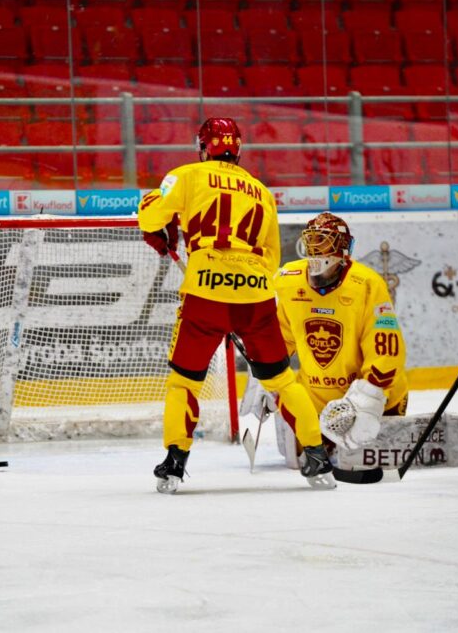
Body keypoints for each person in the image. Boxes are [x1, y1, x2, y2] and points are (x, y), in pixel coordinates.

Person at [137, 117, 335, 493]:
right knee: (281, 380)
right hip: (255, 295)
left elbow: (150, 214)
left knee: (184, 382)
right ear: (238, 150)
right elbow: (272, 256)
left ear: (203, 148)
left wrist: (158, 227)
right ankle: (316, 454)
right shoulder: (261, 191)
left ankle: (175, 461)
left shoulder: (187, 175)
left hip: (205, 293)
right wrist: (243, 282)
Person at [267, 213, 408, 466]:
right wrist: (266, 372)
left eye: (323, 243)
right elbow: (281, 337)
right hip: (315, 402)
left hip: (366, 400)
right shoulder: (288, 280)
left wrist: (371, 397)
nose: (315, 252)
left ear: (343, 249)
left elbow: (386, 347)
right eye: (312, 242)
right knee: (298, 459)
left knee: (368, 458)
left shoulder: (367, 284)